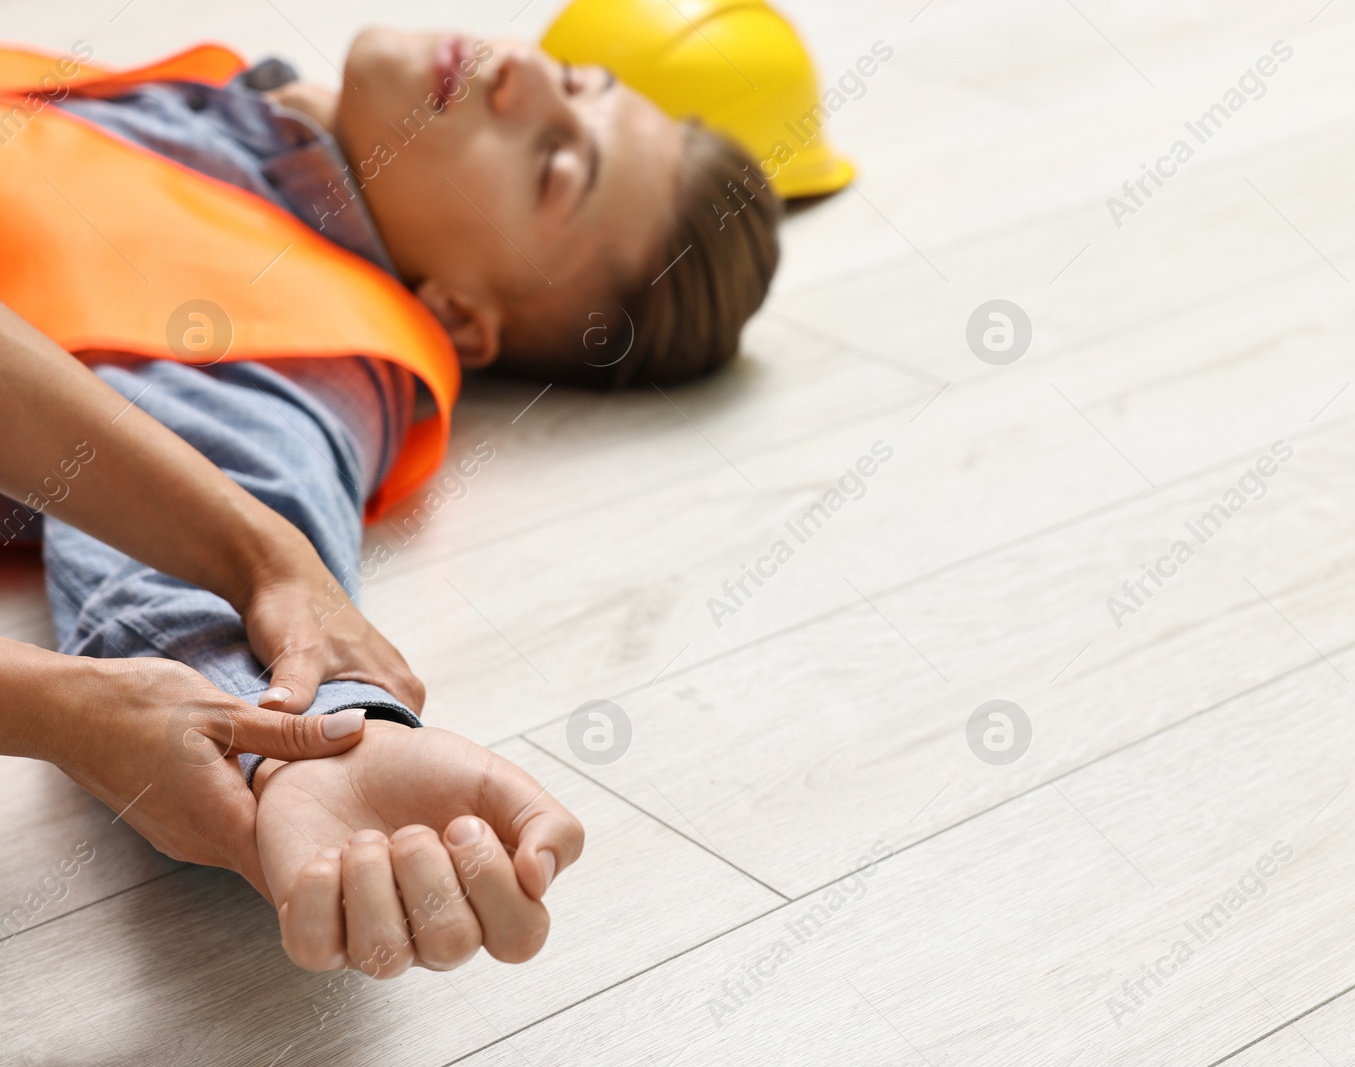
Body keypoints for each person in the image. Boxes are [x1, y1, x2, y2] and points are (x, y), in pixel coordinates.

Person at [0, 27, 780, 975]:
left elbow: (241, 495)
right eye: (577, 76)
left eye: (552, 169)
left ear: (457, 312)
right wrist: (263, 557)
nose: (525, 73)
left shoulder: (292, 344)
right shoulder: (225, 98)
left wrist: (312, 742)